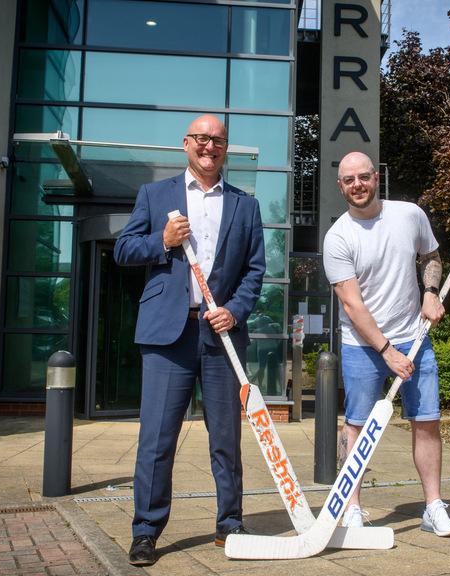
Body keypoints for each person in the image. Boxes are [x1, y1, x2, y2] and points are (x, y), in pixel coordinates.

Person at [114, 114, 266, 566]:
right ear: (186, 144)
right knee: (157, 439)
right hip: (167, 334)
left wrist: (234, 310)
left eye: (218, 140)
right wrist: (160, 240)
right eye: (201, 138)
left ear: (226, 148)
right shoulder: (155, 195)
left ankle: (230, 523)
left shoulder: (246, 205)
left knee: (225, 438)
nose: (209, 146)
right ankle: (146, 531)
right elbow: (123, 249)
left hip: (221, 336)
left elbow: (255, 270)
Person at [322, 151, 450, 537]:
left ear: (376, 177)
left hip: (413, 337)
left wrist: (431, 292)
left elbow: (430, 255)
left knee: (428, 421)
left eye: (363, 177)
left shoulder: (409, 214)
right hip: (363, 346)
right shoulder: (337, 238)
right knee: (357, 428)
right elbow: (352, 303)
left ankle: (433, 506)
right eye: (349, 180)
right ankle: (352, 508)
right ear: (341, 186)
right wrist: (387, 351)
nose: (357, 185)